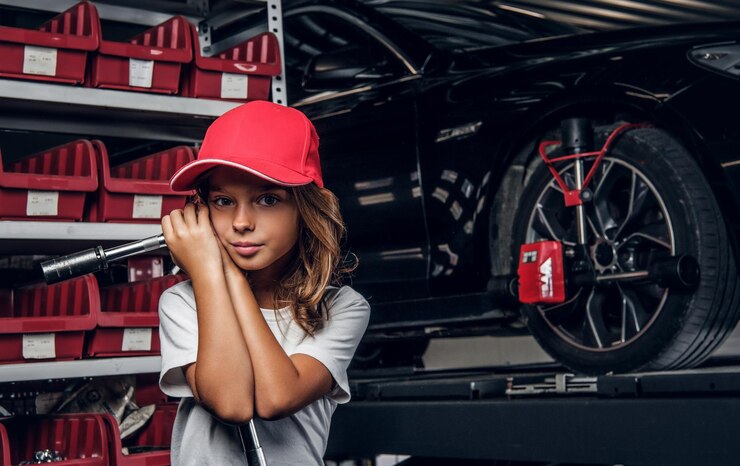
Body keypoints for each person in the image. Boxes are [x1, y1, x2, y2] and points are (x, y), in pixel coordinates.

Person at [157, 100, 370, 465]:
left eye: (268, 199)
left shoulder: (342, 307)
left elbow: (274, 398)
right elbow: (232, 403)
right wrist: (212, 274)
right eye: (223, 201)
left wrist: (222, 272)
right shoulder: (183, 302)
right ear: (202, 210)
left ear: (308, 209)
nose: (241, 222)